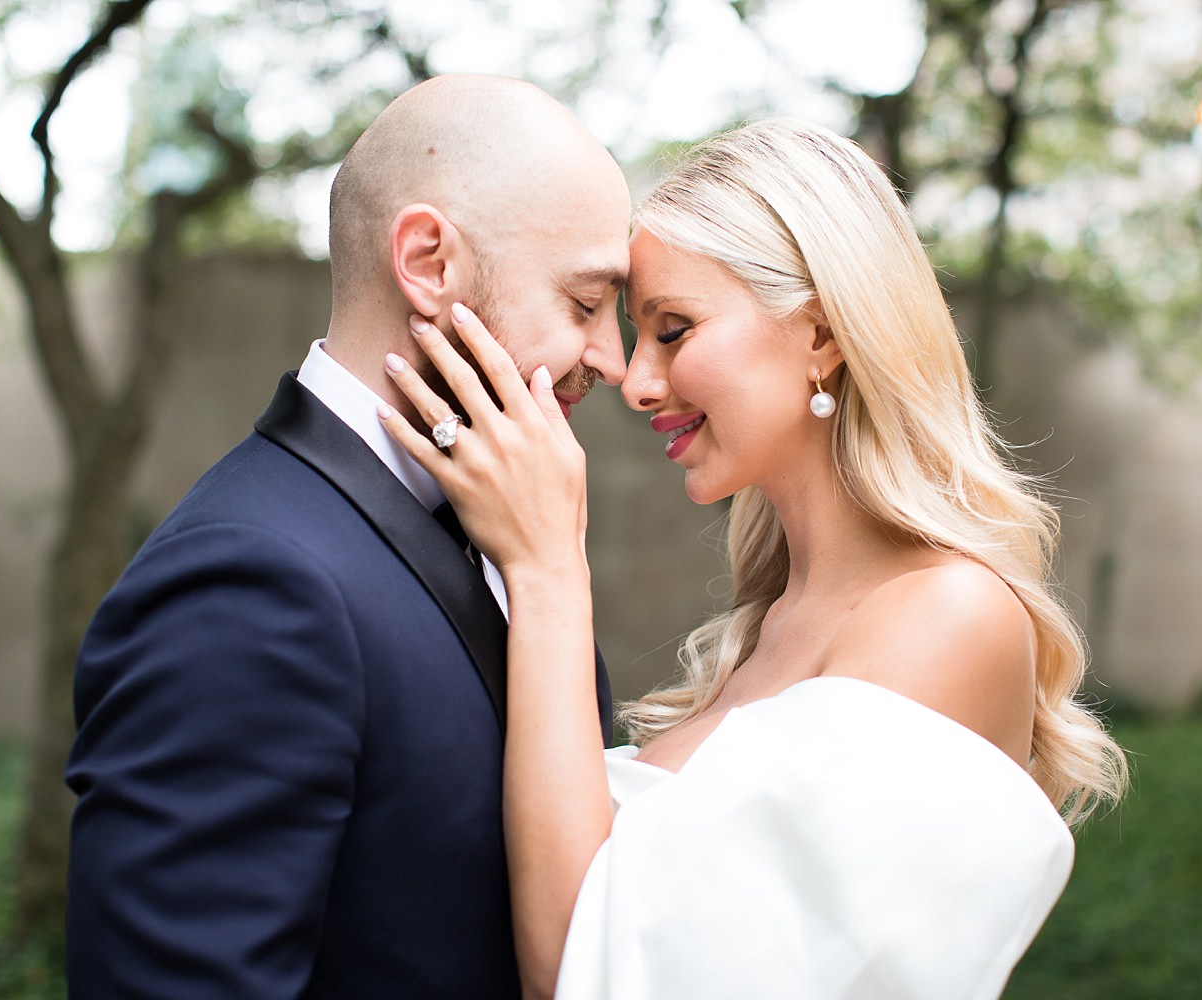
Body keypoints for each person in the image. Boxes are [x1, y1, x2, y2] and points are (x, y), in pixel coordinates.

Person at [380, 118, 1128, 1000]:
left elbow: (590, 969)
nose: (638, 379)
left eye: (674, 329)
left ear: (820, 333)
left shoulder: (948, 618)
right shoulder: (765, 630)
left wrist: (548, 570)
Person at [64, 74, 631, 998]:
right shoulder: (248, 581)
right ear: (428, 263)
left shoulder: (507, 522)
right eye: (584, 303)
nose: (613, 358)